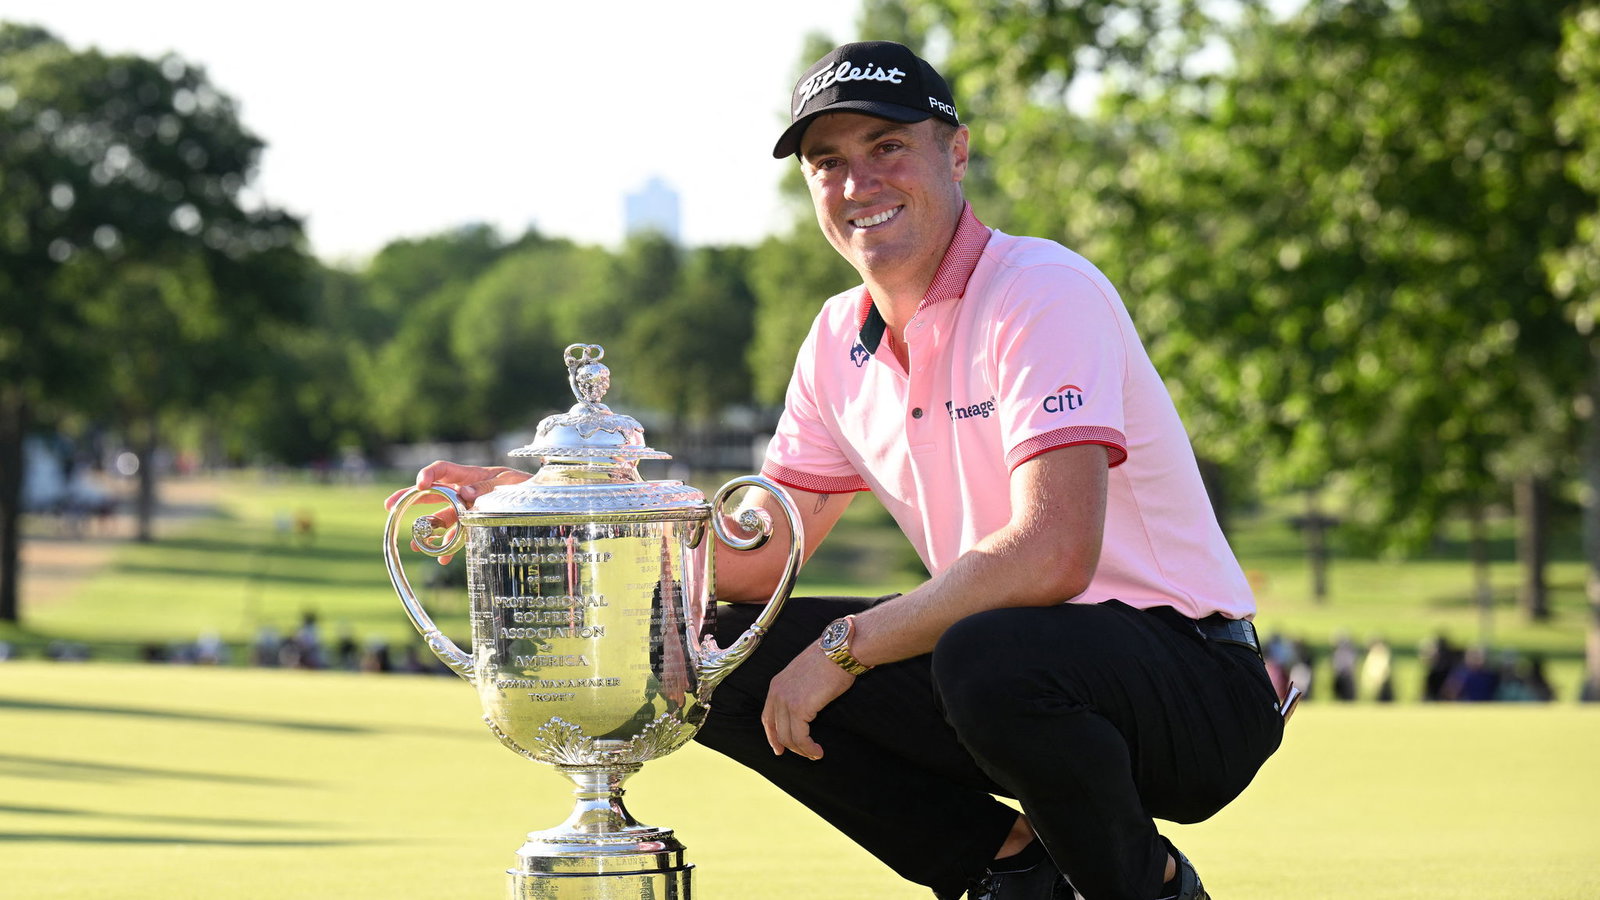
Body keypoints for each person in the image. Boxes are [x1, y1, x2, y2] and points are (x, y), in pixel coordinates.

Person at [389, 40, 1283, 900]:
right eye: (827, 161)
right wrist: (551, 510)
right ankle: (1012, 871)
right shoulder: (835, 340)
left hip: (1191, 681)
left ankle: (1147, 888)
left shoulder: (1040, 290)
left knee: (987, 652)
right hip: (1014, 680)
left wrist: (842, 649)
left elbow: (1051, 556)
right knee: (710, 653)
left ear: (956, 152)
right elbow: (755, 559)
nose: (858, 183)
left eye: (888, 146)